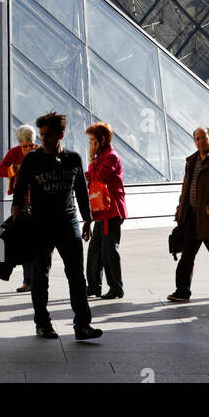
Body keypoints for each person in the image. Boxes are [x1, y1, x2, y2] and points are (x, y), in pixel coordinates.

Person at [12, 111, 103, 340]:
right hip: (40, 224)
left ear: (61, 134)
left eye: (49, 135)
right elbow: (19, 192)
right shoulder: (32, 159)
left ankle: (82, 324)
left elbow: (81, 191)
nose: (44, 139)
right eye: (41, 134)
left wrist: (87, 220)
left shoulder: (73, 158)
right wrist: (18, 223)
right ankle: (42, 323)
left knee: (76, 275)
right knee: (40, 276)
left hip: (68, 221)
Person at [168, 126, 209, 302]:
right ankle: (182, 290)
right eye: (197, 138)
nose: (200, 141)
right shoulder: (191, 161)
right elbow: (185, 188)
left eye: (203, 137)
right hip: (191, 215)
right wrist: (180, 209)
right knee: (187, 255)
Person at [84, 122, 128, 300]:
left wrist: (91, 159)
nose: (90, 144)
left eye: (92, 140)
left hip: (111, 210)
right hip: (102, 210)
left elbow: (99, 176)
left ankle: (116, 287)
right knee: (95, 250)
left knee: (109, 250)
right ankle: (94, 285)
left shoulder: (110, 156)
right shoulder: (102, 156)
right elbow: (90, 177)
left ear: (102, 140)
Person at [0, 125, 37, 292]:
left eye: (31, 145)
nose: (28, 148)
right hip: (20, 203)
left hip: (37, 202)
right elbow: (0, 171)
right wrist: (16, 169)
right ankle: (28, 281)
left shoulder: (39, 152)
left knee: (34, 244)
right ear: (19, 143)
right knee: (24, 242)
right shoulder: (14, 152)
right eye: (25, 146)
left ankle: (34, 280)